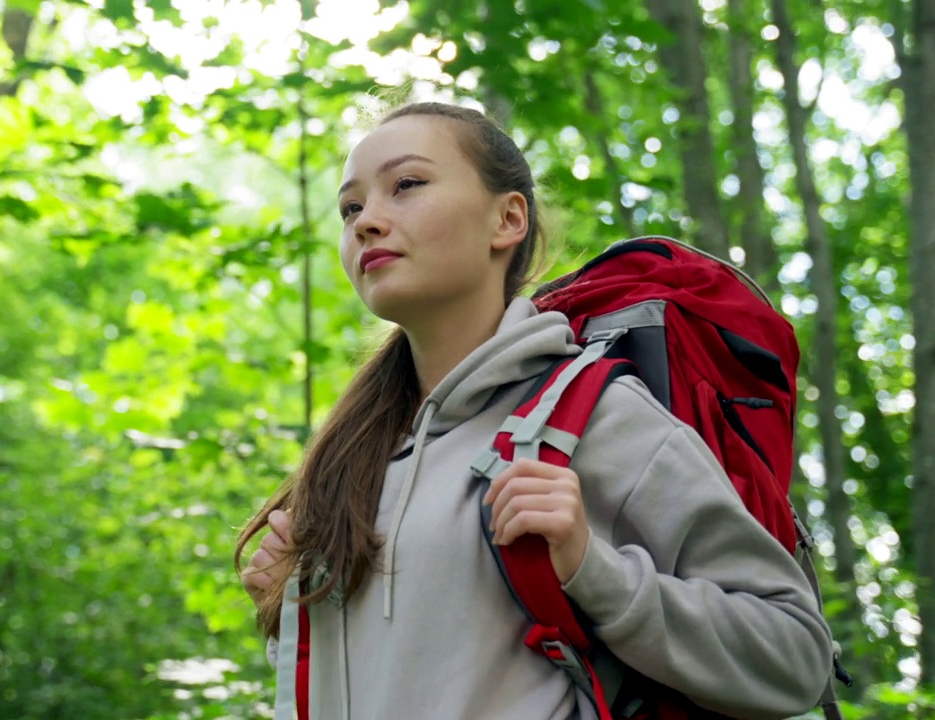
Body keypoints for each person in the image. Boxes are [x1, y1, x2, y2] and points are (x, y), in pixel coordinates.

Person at [234, 101, 833, 719]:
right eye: (351, 208)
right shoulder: (356, 456)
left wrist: (591, 570)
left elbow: (793, 657)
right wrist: (297, 616)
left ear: (508, 219)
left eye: (406, 185)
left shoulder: (595, 412)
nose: (366, 223)